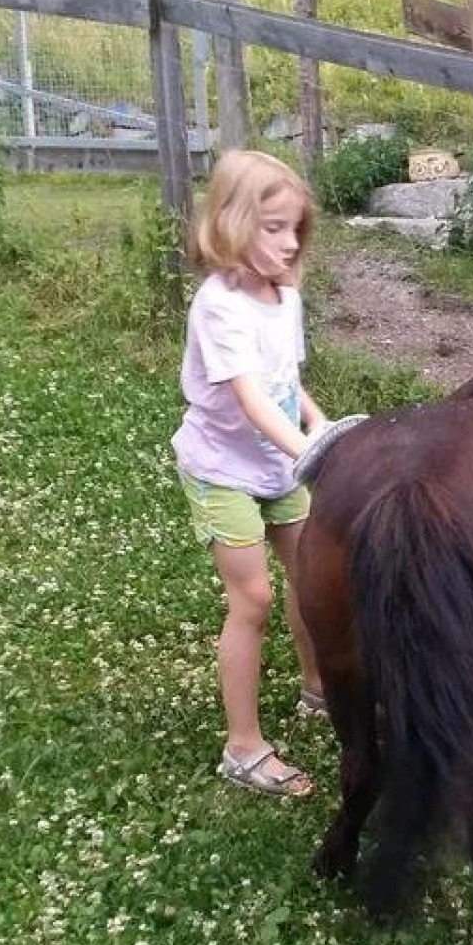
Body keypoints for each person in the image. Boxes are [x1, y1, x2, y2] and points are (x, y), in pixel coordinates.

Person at [171, 149, 334, 799]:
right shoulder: (219, 307)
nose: (289, 242)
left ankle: (320, 691)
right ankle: (243, 749)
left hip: (278, 462)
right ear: (234, 222)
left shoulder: (282, 295)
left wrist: (322, 426)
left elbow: (287, 385)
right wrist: (308, 449)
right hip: (222, 471)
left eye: (295, 228)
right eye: (273, 228)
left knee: (311, 578)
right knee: (255, 599)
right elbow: (250, 397)